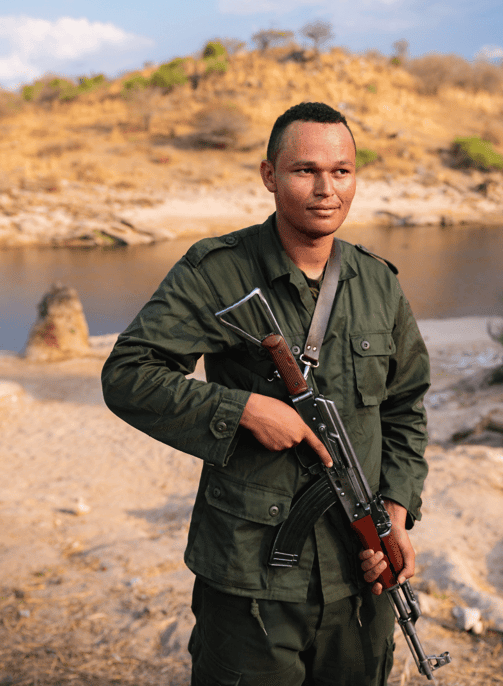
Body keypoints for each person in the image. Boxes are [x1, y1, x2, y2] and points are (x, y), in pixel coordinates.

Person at [101, 101, 430, 686]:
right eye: (305, 170)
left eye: (342, 171)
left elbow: (405, 407)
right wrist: (242, 409)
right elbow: (129, 373)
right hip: (249, 577)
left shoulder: (378, 283)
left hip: (360, 580)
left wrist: (395, 517)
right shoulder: (216, 271)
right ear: (269, 176)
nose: (326, 188)